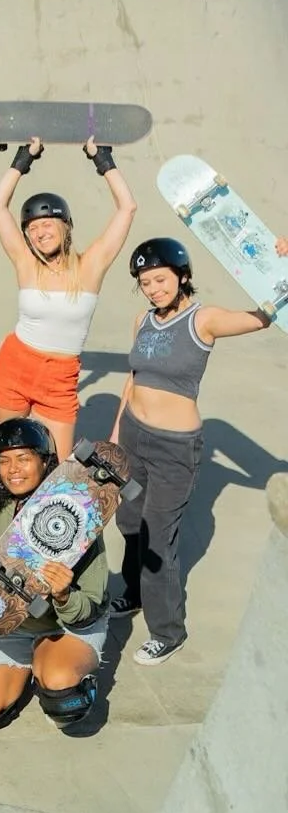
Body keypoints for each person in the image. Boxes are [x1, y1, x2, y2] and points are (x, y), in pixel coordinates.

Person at [110, 236, 275, 666]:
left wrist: (277, 267)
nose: (154, 289)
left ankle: (168, 631)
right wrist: (115, 432)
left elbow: (263, 318)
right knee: (128, 520)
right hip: (132, 436)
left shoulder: (205, 320)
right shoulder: (141, 321)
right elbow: (133, 378)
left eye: (161, 280)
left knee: (157, 539)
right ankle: (133, 594)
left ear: (183, 277)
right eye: (145, 282)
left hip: (173, 450)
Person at [0, 417, 109, 732]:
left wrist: (63, 594)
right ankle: (26, 668)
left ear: (45, 461)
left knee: (62, 693)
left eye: (23, 459)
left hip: (65, 627)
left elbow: (91, 603)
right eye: (4, 461)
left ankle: (53, 670)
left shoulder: (79, 512)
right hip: (10, 624)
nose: (13, 469)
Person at [0, 138, 137, 461]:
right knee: (10, 459)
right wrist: (24, 158)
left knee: (51, 468)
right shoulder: (26, 263)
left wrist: (102, 160)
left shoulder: (90, 266)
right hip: (15, 366)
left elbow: (128, 207)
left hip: (60, 380)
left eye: (46, 224)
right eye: (32, 229)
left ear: (65, 226)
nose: (39, 233)